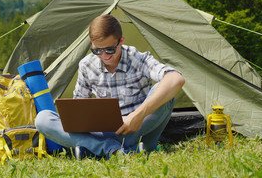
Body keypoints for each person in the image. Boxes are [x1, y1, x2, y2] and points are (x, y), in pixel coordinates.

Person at [35, 14, 185, 158]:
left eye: (110, 49)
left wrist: (137, 115)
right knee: (42, 119)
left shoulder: (137, 58)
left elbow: (175, 78)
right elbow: (78, 108)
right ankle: (111, 149)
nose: (104, 55)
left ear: (121, 41)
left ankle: (93, 148)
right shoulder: (86, 65)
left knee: (166, 92)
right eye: (97, 50)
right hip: (103, 131)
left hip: (137, 128)